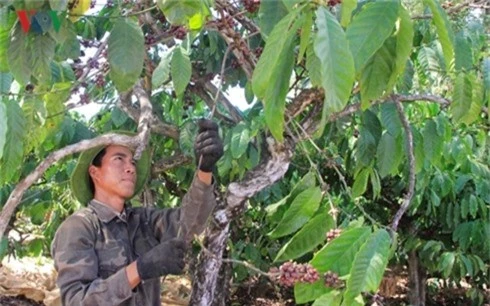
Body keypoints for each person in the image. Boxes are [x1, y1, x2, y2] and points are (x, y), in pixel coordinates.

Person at [51, 119, 224, 306]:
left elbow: (190, 224)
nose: (130, 168)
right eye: (119, 159)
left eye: (132, 162)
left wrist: (204, 170)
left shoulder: (144, 221)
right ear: (95, 172)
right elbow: (77, 301)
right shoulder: (79, 227)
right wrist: (140, 269)